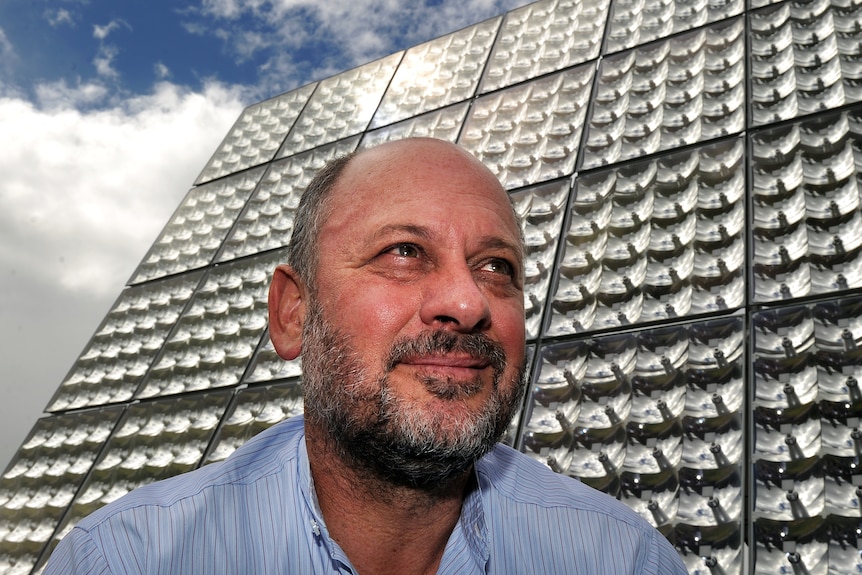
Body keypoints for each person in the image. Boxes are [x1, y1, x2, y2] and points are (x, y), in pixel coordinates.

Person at [44, 138, 688, 574]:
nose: (468, 303)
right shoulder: (126, 561)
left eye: (497, 267)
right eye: (403, 251)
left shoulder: (619, 559)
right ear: (293, 313)